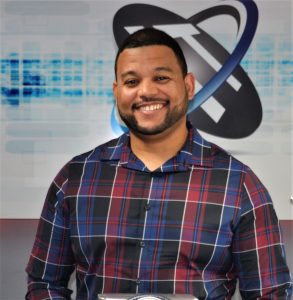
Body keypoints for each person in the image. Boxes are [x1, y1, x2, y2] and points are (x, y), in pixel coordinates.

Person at [26, 28, 292, 299]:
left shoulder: (239, 186)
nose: (146, 91)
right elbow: (44, 284)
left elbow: (269, 294)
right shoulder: (75, 178)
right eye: (131, 82)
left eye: (161, 77)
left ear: (188, 86)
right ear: (117, 92)